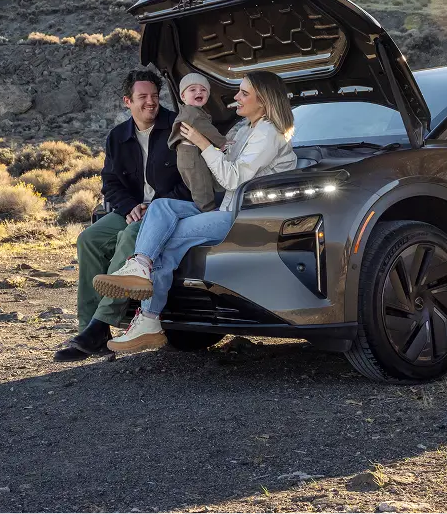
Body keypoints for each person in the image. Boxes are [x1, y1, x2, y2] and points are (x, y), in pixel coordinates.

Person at [92, 70, 298, 352]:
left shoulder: (268, 133)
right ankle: (140, 265)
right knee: (161, 206)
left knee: (167, 239)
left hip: (245, 217)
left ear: (262, 100)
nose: (236, 97)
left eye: (243, 93)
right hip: (226, 207)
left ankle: (149, 318)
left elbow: (232, 179)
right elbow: (221, 173)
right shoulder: (246, 130)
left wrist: (202, 143)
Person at [53, 70, 190, 362]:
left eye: (155, 96)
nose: (151, 102)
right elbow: (111, 182)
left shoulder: (177, 128)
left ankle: (100, 323)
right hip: (133, 209)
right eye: (143, 97)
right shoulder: (118, 136)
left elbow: (191, 181)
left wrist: (156, 206)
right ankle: (90, 331)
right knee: (89, 239)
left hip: (168, 211)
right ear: (127, 101)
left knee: (130, 235)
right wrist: (130, 206)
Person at [167, 73, 227, 212]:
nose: (198, 92)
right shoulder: (191, 113)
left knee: (203, 180)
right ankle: (208, 210)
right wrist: (223, 142)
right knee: (200, 183)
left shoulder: (194, 111)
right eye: (192, 89)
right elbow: (207, 130)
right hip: (190, 156)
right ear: (183, 96)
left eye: (203, 90)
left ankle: (212, 205)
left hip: (192, 154)